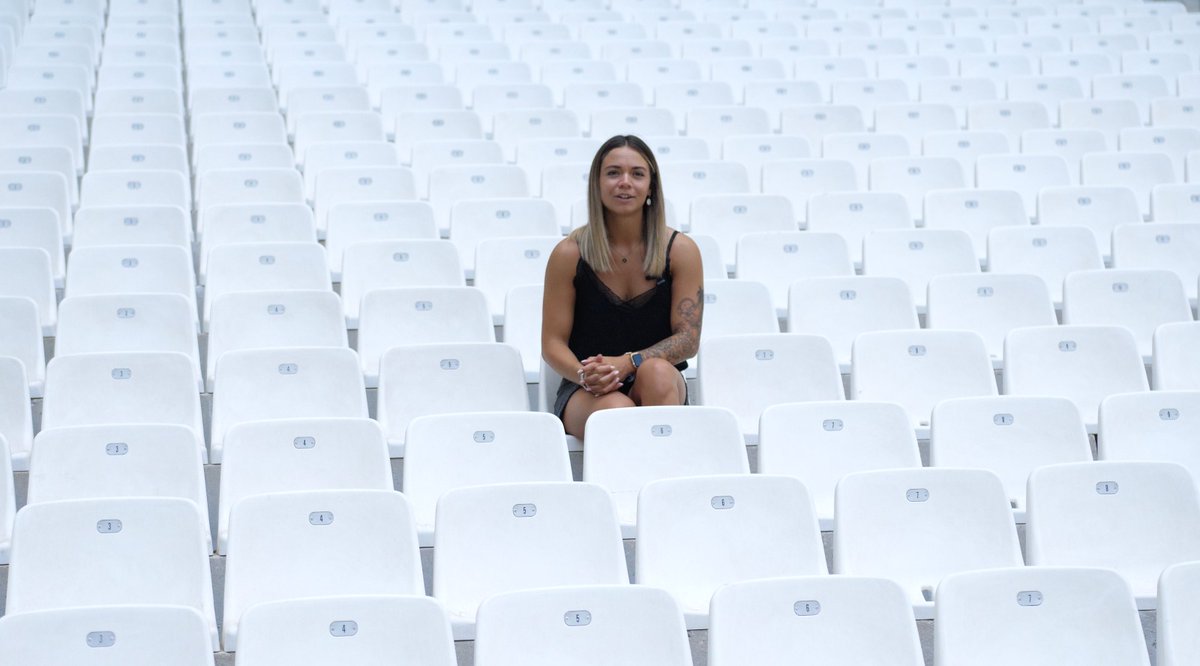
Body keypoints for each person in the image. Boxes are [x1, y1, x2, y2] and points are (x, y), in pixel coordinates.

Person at [542, 135, 704, 439]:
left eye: (637, 173)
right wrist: (586, 375)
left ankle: (662, 480)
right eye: (613, 172)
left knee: (655, 372)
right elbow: (552, 344)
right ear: (597, 183)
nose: (625, 182)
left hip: (658, 381)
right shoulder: (569, 253)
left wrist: (629, 362)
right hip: (588, 389)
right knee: (616, 410)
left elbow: (688, 341)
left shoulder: (681, 251)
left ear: (651, 186)